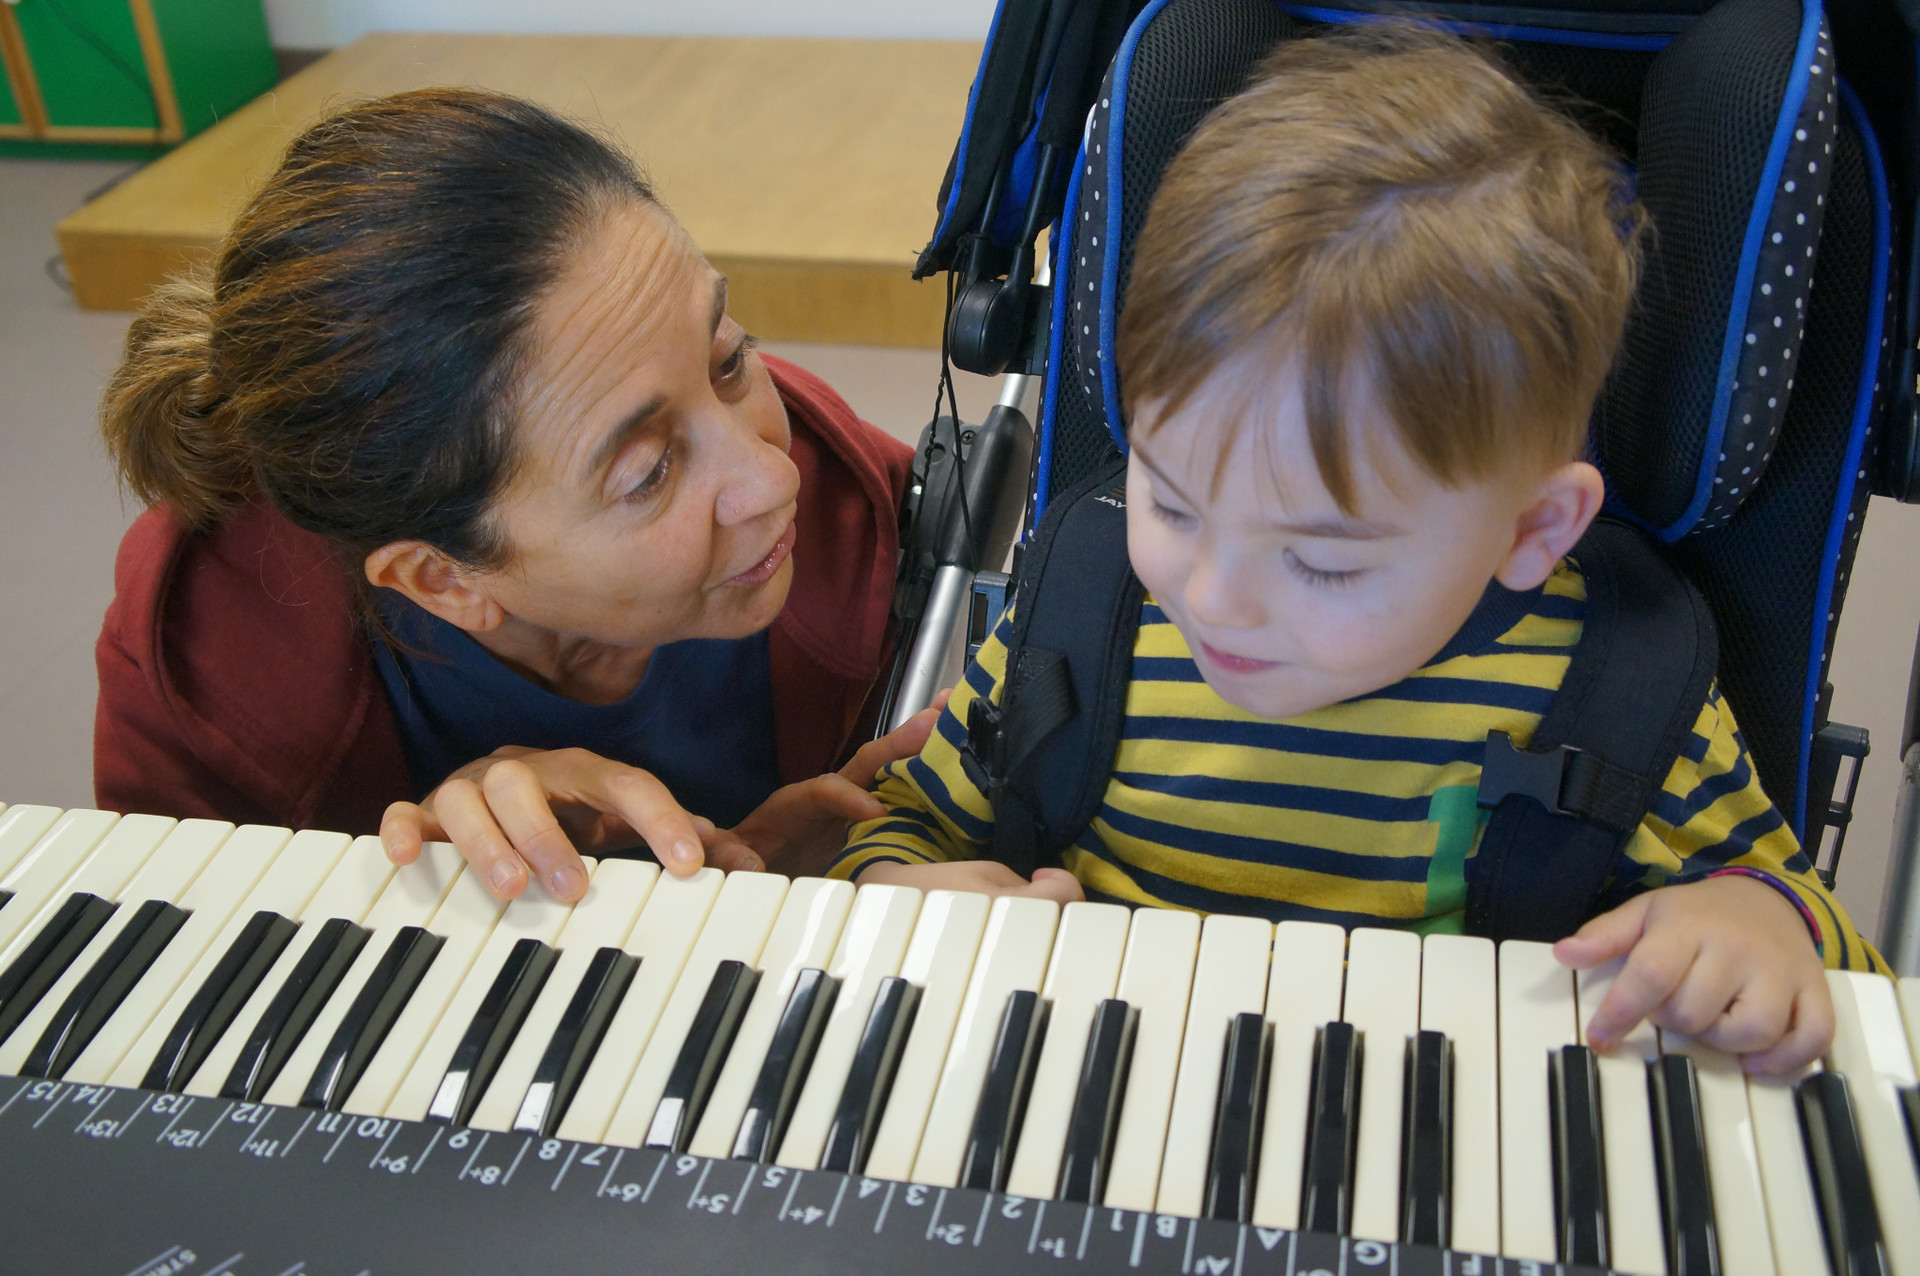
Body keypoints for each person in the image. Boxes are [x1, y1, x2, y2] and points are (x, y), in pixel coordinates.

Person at [827, 28, 1882, 1074]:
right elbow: (906, 823)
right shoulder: (1079, 614)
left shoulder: (1620, 696)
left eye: (1323, 562)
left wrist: (1758, 928)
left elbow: (1821, 944)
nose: (1213, 597)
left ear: (1532, 529)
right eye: (1172, 500)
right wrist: (895, 882)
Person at [94, 87, 941, 902]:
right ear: (444, 580)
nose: (776, 476)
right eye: (649, 473)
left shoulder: (860, 510)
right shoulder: (203, 666)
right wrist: (409, 894)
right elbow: (175, 995)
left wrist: (798, 888)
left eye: (726, 357)